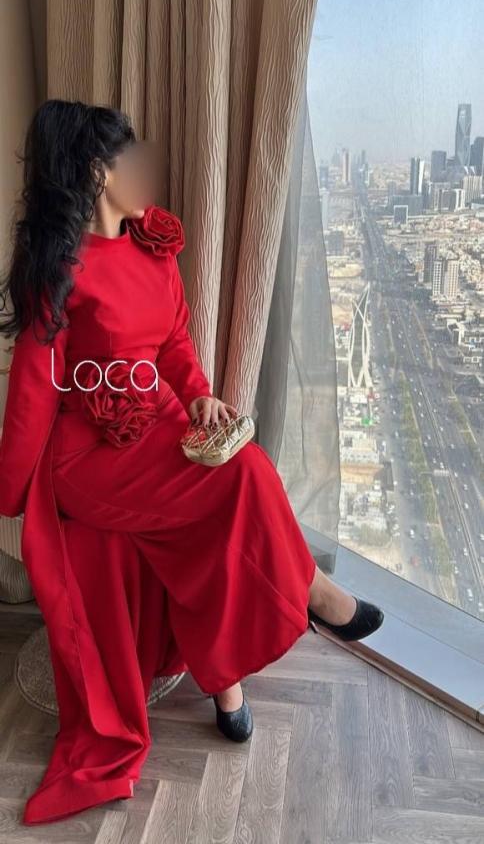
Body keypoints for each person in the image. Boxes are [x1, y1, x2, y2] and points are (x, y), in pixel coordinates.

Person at [0, 99, 384, 825]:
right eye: (130, 158)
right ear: (96, 173)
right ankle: (314, 597)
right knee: (244, 476)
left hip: (161, 424)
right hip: (91, 453)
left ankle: (225, 674)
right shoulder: (61, 269)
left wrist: (201, 396)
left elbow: (174, 343)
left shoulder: (153, 247)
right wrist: (11, 493)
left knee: (229, 494)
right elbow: (32, 391)